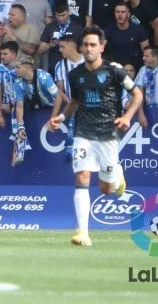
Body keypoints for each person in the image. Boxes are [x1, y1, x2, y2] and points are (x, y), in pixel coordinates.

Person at [47, 26, 142, 247]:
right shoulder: (76, 75)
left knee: (106, 190)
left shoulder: (115, 72)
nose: (89, 49)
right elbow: (75, 101)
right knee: (82, 177)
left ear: (102, 46)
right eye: (86, 45)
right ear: (81, 48)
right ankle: (83, 232)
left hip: (108, 134)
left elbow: (137, 94)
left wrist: (127, 116)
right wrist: (61, 119)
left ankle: (116, 173)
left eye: (93, 45)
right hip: (83, 132)